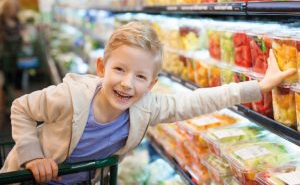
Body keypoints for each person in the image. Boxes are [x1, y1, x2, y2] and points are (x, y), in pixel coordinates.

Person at [0, 21, 296, 183]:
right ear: (102, 68)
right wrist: (32, 155)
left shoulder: (146, 106)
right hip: (27, 180)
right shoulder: (69, 98)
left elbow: (197, 101)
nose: (128, 83)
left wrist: (259, 87)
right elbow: (21, 108)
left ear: (152, 84)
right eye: (119, 69)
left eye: (140, 76)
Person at [0, 0, 23, 92]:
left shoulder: (17, 19)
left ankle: (18, 93)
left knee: (18, 74)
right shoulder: (1, 21)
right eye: (12, 7)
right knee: (6, 77)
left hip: (17, 53)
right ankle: (7, 98)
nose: (14, 10)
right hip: (5, 54)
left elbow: (21, 32)